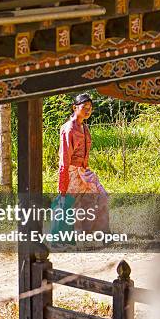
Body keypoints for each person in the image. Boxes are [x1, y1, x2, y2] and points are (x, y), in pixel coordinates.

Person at [58, 93, 109, 232]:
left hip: (84, 171)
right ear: (74, 107)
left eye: (90, 107)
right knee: (70, 207)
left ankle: (99, 233)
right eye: (84, 106)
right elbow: (64, 158)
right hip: (72, 172)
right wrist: (63, 186)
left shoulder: (84, 127)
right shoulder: (68, 129)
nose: (88, 110)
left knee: (101, 196)